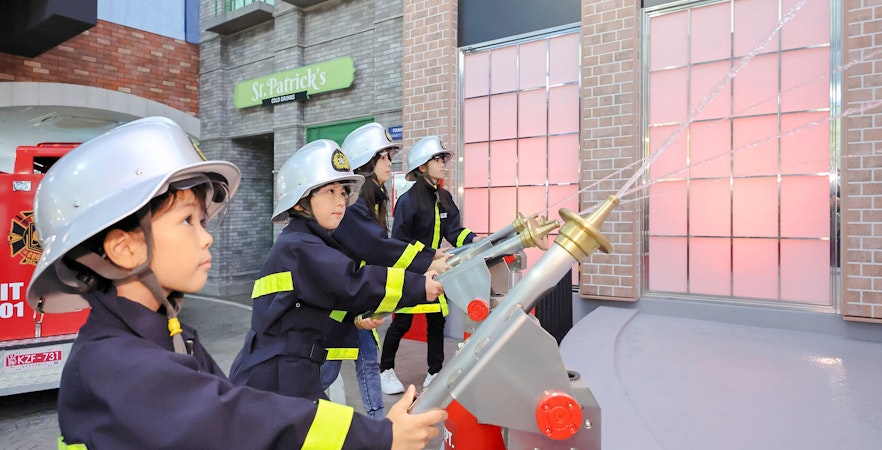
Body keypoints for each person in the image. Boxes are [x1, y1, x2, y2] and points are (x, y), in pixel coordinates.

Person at [27, 116, 446, 449]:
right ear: (123, 249)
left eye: (203, 221)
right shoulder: (120, 366)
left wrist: (353, 324)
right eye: (188, 220)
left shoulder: (164, 336)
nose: (207, 236)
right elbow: (248, 424)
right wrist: (380, 437)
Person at [229, 139, 445, 402]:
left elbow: (324, 298)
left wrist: (357, 318)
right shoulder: (298, 246)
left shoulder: (310, 241)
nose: (341, 200)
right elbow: (353, 282)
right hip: (275, 380)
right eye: (329, 192)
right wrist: (419, 285)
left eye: (343, 192)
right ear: (299, 203)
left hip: (289, 372)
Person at [322, 123, 452, 416]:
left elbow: (378, 250)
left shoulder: (370, 202)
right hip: (342, 308)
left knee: (368, 361)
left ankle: (377, 422)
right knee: (325, 374)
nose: (390, 163)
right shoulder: (356, 206)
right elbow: (382, 247)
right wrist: (428, 262)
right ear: (369, 161)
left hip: (359, 302)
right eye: (385, 157)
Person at [379, 136, 479, 394]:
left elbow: (455, 231)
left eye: (444, 158)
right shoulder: (408, 201)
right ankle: (385, 371)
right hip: (410, 271)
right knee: (401, 323)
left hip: (436, 272)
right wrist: (431, 255)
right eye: (438, 159)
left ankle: (434, 372)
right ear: (422, 167)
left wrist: (477, 241)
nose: (444, 163)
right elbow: (399, 241)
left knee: (436, 322)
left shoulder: (444, 197)